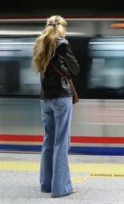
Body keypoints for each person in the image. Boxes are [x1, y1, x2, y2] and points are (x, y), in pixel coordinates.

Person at [32, 15, 80, 198]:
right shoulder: (62, 44)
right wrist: (66, 70)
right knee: (61, 142)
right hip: (61, 97)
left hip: (45, 99)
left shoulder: (40, 44)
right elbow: (75, 69)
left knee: (48, 141)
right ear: (61, 28)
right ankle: (61, 188)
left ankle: (46, 184)